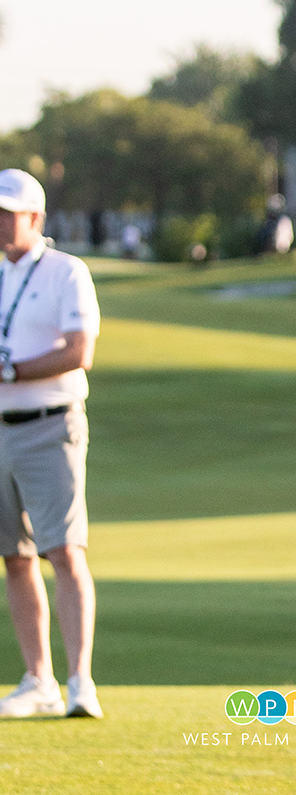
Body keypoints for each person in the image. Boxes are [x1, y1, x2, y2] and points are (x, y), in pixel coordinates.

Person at [0, 169, 103, 719]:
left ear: (36, 218)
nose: (0, 224)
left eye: (8, 214)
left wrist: (12, 371)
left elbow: (78, 351)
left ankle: (79, 681)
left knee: (64, 552)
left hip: (51, 424)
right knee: (14, 558)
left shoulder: (66, 271)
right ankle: (37, 680)